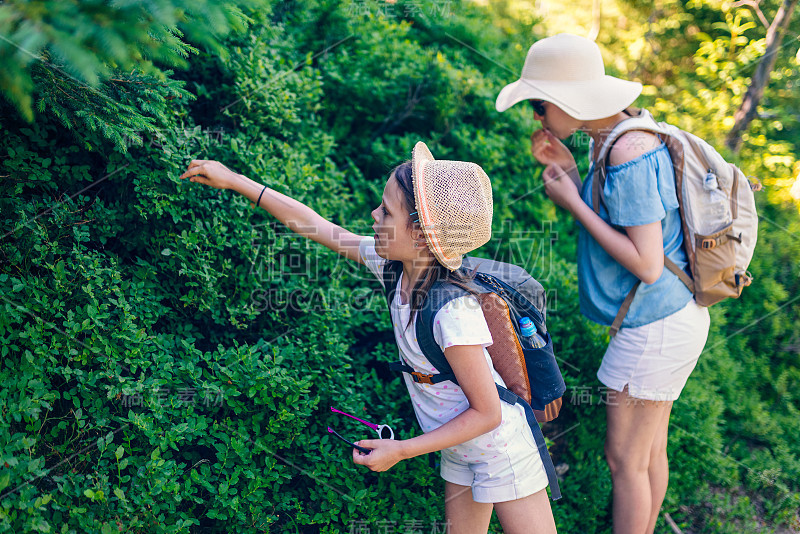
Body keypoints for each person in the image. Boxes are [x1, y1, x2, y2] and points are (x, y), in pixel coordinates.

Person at [179, 142, 558, 534]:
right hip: (459, 445)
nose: (374, 215)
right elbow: (317, 226)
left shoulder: (452, 313)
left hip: (502, 448)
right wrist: (236, 181)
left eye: (386, 210)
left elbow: (488, 412)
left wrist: (402, 450)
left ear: (422, 235)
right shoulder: (394, 267)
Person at [495, 33, 710, 534]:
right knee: (648, 452)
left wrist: (572, 202)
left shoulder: (628, 151)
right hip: (669, 318)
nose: (537, 117)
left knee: (625, 461)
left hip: (656, 321)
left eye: (541, 104)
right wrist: (573, 180)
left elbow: (647, 263)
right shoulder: (614, 138)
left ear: (568, 101)